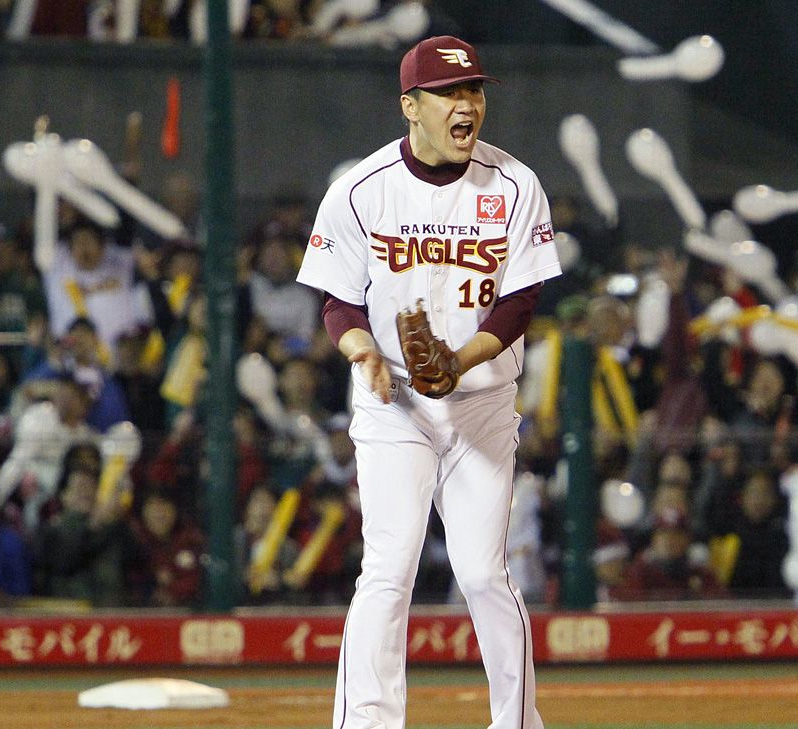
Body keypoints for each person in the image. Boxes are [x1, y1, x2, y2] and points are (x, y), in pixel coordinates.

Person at [294, 35, 560, 729]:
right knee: (388, 567)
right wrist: (363, 352)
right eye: (449, 92)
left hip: (482, 405)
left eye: (474, 90)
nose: (467, 103)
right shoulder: (362, 188)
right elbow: (338, 300)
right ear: (410, 105)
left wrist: (461, 359)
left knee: (482, 573)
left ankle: (519, 721)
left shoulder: (513, 184)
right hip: (395, 406)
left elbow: (520, 300)